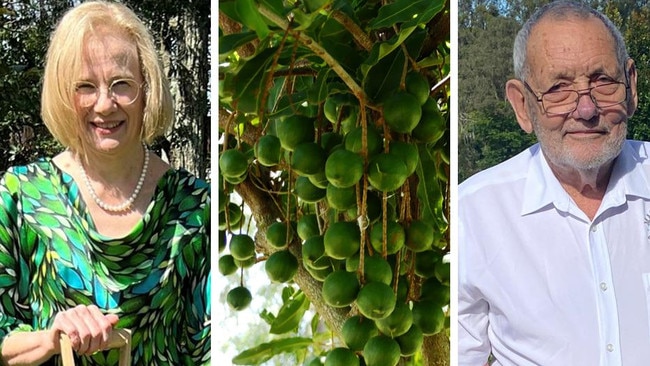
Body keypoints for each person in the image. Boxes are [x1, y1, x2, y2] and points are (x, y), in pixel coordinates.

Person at [0, 1, 210, 365]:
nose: (104, 104)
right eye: (85, 86)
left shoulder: (195, 207)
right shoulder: (20, 196)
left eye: (121, 84)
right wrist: (50, 337)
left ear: (147, 89)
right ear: (64, 95)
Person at [458, 1, 650, 364]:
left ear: (631, 86)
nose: (586, 109)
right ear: (522, 105)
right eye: (559, 89)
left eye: (603, 81)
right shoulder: (475, 214)